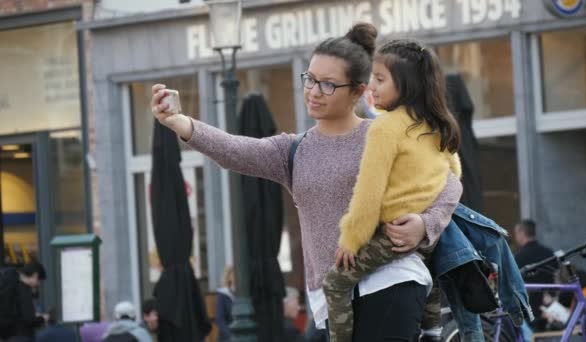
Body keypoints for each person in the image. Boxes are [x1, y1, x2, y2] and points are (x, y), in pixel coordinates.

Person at [151, 22, 462, 341]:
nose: (314, 91)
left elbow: (448, 182)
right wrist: (180, 122)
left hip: (390, 279)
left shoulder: (385, 134)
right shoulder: (293, 150)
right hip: (331, 298)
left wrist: (425, 224)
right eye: (310, 79)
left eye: (328, 84)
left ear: (357, 91)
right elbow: (235, 149)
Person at [323, 38, 461, 342]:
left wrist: (351, 239)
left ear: (407, 84)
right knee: (428, 264)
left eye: (380, 79)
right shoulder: (435, 125)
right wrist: (424, 209)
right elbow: (454, 174)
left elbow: (368, 193)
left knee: (334, 282)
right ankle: (434, 331)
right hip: (422, 237)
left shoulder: (385, 128)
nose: (371, 86)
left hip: (389, 233)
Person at [514, 219, 556, 332]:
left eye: (516, 233)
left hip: (529, 307)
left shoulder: (519, 257)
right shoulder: (549, 253)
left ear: (522, 233)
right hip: (550, 305)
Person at [0, 262, 49, 342]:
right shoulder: (23, 290)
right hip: (22, 336)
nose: (38, 284)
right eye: (39, 281)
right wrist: (42, 318)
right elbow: (29, 320)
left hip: (6, 336)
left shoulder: (10, 285)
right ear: (35, 275)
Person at [215, 266, 235, 342]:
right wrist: (230, 335)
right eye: (233, 273)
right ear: (229, 277)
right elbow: (219, 318)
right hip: (227, 337)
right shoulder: (223, 294)